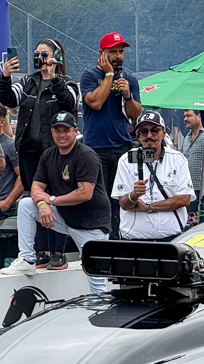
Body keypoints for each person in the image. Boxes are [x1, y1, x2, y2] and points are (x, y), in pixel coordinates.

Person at [3, 112, 110, 291]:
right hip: (64, 217)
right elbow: (36, 185)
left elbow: (85, 193)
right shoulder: (49, 154)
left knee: (97, 281)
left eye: (66, 130)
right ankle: (27, 259)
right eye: (57, 130)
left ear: (75, 131)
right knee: (26, 205)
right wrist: (42, 204)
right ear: (52, 132)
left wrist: (51, 200)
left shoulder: (85, 155)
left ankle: (100, 309)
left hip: (91, 224)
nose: (61, 135)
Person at [0, 38, 80, 198]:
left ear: (56, 56)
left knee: (56, 191)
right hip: (29, 150)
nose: (40, 58)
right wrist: (5, 76)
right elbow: (8, 100)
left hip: (56, 150)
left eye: (44, 54)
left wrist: (54, 78)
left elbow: (69, 103)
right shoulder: (27, 81)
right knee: (32, 193)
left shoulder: (67, 82)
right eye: (37, 54)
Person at [81, 31, 143, 238]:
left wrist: (128, 96)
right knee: (99, 199)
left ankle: (119, 237)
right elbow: (95, 102)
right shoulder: (89, 76)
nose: (118, 56)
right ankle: (100, 238)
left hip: (122, 146)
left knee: (121, 197)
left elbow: (135, 115)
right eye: (113, 52)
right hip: (95, 147)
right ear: (102, 53)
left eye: (121, 52)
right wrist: (108, 75)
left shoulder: (130, 79)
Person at [110, 111, 194, 241]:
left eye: (154, 130)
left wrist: (149, 207)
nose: (149, 136)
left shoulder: (177, 159)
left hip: (171, 238)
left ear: (163, 133)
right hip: (135, 239)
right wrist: (133, 195)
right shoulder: (126, 160)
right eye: (144, 131)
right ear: (138, 135)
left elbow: (184, 199)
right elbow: (123, 204)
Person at [180, 110, 204, 215]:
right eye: (184, 116)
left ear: (199, 117)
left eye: (189, 116)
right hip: (190, 187)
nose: (185, 119)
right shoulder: (186, 138)